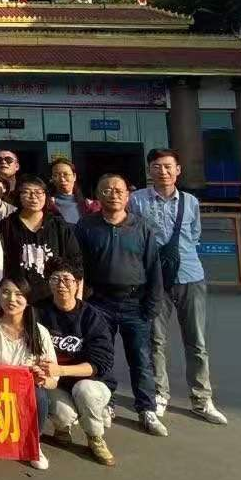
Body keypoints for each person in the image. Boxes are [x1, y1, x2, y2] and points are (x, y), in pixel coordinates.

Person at [131, 147, 228, 425]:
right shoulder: (136, 201)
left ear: (178, 170)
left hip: (190, 275)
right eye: (157, 167)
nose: (163, 171)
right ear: (149, 170)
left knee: (196, 341)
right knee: (155, 340)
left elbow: (194, 235)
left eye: (168, 166)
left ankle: (201, 398)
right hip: (153, 279)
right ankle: (159, 394)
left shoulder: (190, 201)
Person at [76, 174, 168, 437]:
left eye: (119, 190)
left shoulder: (142, 227)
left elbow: (153, 267)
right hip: (99, 302)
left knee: (141, 358)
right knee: (102, 355)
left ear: (128, 195)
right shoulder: (86, 226)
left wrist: (152, 305)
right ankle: (107, 402)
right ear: (98, 195)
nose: (113, 194)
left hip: (134, 302)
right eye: (106, 190)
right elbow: (78, 265)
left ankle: (146, 408)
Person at [35, 255, 117, 466]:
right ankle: (62, 427)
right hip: (55, 383)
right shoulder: (38, 312)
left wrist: (60, 370)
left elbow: (100, 363)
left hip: (90, 381)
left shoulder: (92, 317)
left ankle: (95, 436)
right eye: (55, 279)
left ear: (78, 283)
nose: (61, 285)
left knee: (85, 391)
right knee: (62, 411)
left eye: (67, 279)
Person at [0, 273, 56, 470]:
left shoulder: (40, 332)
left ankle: (33, 444)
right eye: (5, 292)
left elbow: (53, 379)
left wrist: (42, 378)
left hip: (23, 395)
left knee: (40, 395)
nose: (11, 299)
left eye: (19, 294)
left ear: (28, 299)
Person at [0, 174, 82, 302]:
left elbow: (75, 261)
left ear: (46, 195)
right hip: (18, 299)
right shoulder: (7, 226)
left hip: (55, 298)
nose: (33, 197)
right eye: (27, 192)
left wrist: (76, 297)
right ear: (18, 196)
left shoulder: (58, 225)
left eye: (39, 192)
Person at [48, 157, 97, 224]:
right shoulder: (48, 204)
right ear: (52, 179)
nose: (62, 179)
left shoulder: (88, 205)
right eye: (56, 175)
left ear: (74, 176)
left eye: (66, 174)